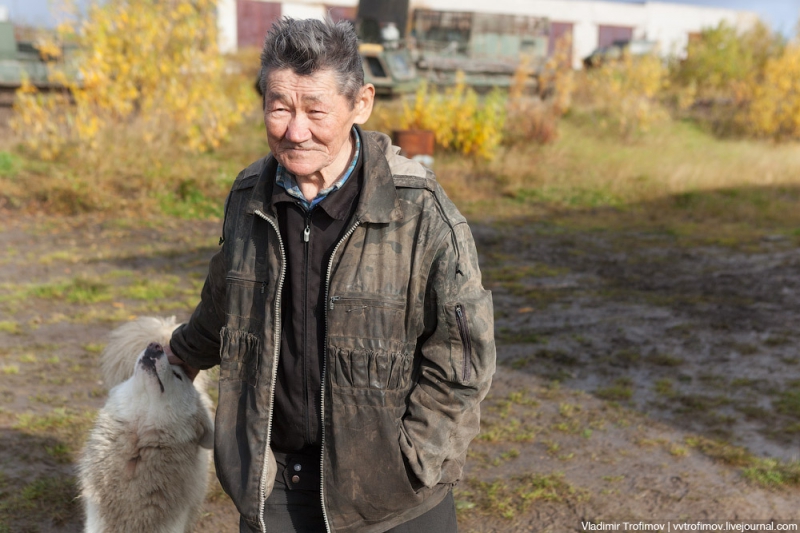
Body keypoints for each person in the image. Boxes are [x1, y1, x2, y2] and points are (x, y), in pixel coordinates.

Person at [166, 17, 495, 533]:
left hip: (393, 502)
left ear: (360, 103)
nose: (296, 131)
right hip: (275, 488)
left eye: (315, 110)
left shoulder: (420, 211)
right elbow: (224, 299)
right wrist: (181, 354)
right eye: (279, 108)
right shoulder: (248, 194)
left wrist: (417, 459)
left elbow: (463, 358)